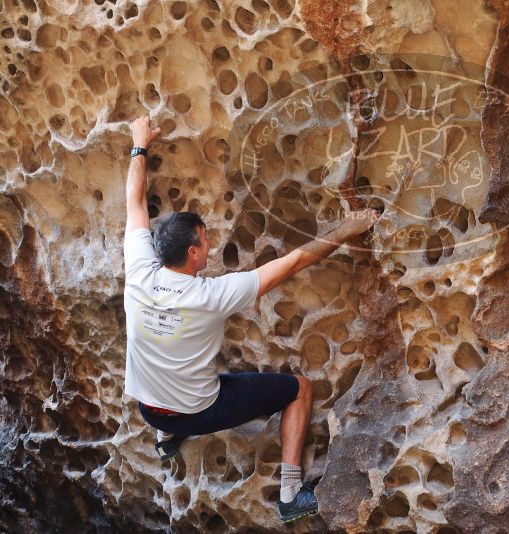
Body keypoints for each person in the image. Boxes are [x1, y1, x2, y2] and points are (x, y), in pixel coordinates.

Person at [122, 115, 379, 524]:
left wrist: (139, 143)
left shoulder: (138, 271)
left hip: (149, 409)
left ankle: (167, 439)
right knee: (298, 389)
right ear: (192, 252)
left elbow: (135, 203)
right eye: (205, 241)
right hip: (199, 411)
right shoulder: (210, 296)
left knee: (174, 362)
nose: (209, 245)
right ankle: (290, 495)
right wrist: (349, 228)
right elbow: (293, 262)